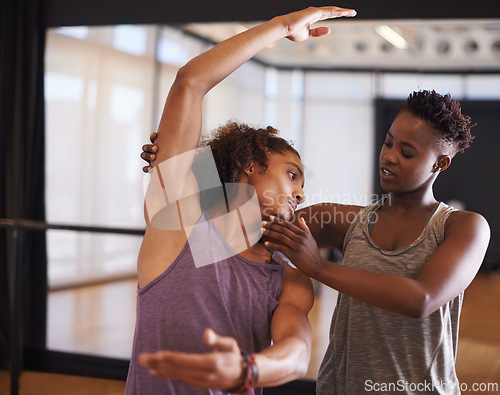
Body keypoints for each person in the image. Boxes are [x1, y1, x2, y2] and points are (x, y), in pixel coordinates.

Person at [126, 5, 357, 395]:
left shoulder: (286, 271)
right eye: (292, 174)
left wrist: (247, 370)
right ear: (250, 166)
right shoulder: (179, 226)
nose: (300, 192)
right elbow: (190, 82)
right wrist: (282, 27)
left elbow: (297, 352)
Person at [260, 90, 491, 394]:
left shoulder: (465, 227)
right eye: (388, 142)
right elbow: (249, 230)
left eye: (407, 153)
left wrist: (318, 267)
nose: (389, 156)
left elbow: (419, 300)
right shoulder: (345, 220)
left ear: (440, 164)